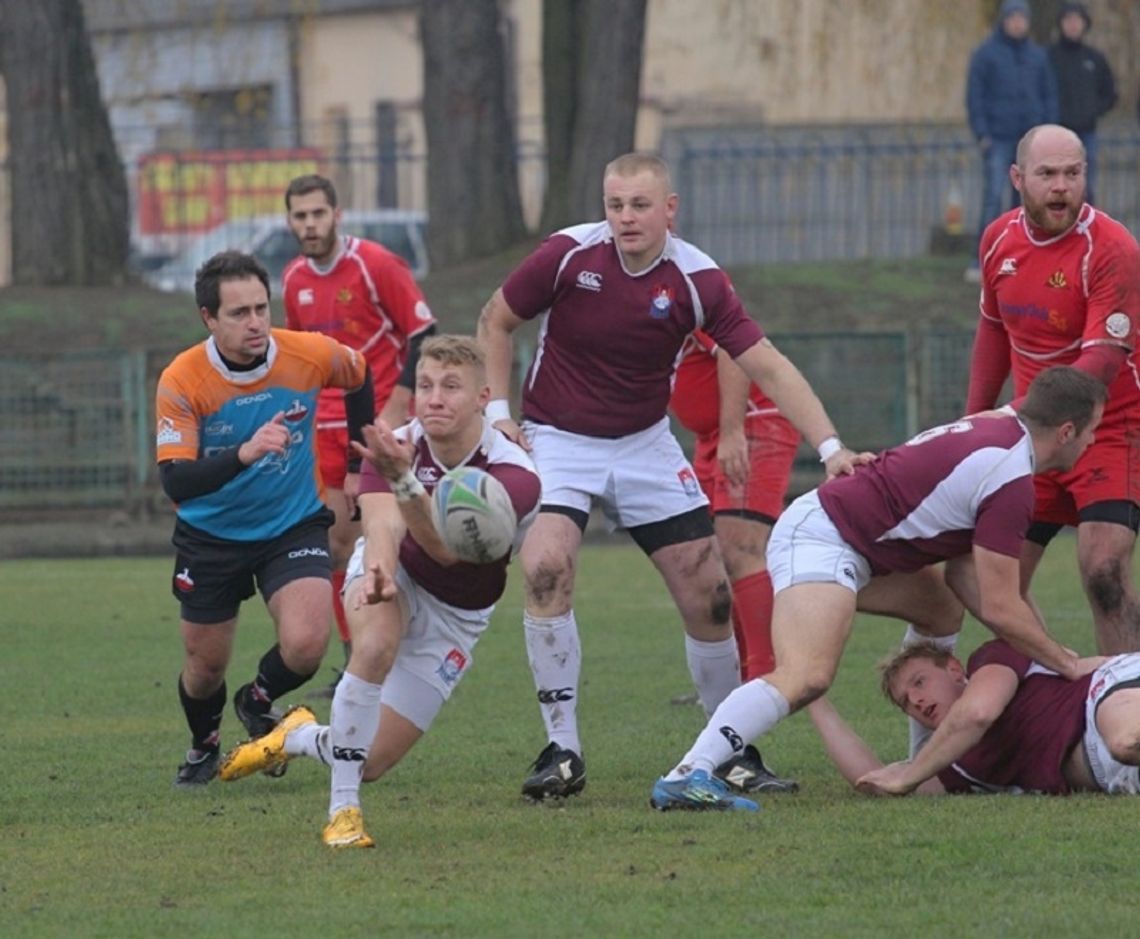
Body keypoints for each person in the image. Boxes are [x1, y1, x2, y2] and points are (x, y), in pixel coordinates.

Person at [478, 151, 863, 803]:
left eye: (639, 205)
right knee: (545, 565)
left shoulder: (697, 278)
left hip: (644, 445)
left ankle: (727, 752)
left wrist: (830, 446)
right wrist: (496, 413)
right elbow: (495, 319)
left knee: (710, 592)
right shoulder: (568, 255)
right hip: (558, 438)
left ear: (670, 209)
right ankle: (561, 748)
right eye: (614, 204)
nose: (624, 218)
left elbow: (766, 365)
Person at [650, 365, 1108, 812]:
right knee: (807, 675)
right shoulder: (1011, 478)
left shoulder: (1001, 428)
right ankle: (689, 772)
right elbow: (1003, 607)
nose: (1093, 442)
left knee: (941, 611)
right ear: (1066, 431)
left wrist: (1045, 653)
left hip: (850, 540)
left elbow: (965, 579)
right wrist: (1065, 663)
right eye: (1092, 431)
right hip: (822, 537)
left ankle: (924, 762)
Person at [218, 336, 541, 848]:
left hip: (458, 615)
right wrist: (381, 570)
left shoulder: (515, 474)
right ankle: (343, 815)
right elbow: (383, 526)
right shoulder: (391, 446)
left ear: (484, 397)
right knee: (372, 645)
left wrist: (407, 482)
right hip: (398, 576)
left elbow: (448, 552)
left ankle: (295, 736)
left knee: (369, 760)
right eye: (427, 385)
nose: (433, 398)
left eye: (451, 387)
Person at [156, 250, 372, 788]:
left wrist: (354, 464)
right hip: (210, 534)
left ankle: (256, 700)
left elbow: (359, 375)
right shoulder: (182, 380)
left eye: (261, 307)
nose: (256, 323)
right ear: (208, 317)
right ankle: (203, 744)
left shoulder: (306, 354)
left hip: (291, 524)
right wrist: (243, 456)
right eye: (239, 313)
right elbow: (176, 482)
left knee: (306, 645)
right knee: (204, 667)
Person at [966, 124, 1140, 656]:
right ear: (1018, 178)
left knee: (1102, 570)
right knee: (992, 584)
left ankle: (1125, 715)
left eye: (1072, 173)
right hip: (1034, 439)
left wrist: (1011, 413)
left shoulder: (1113, 248)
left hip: (1109, 428)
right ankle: (1062, 687)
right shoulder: (998, 238)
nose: (1061, 186)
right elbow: (993, 333)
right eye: (1047, 174)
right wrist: (973, 426)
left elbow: (1099, 364)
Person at [282, 173, 437, 696]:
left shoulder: (374, 265)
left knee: (390, 537)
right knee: (334, 543)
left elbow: (423, 334)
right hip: (322, 430)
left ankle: (389, 655)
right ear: (290, 222)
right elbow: (303, 355)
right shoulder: (292, 280)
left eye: (317, 213)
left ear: (336, 214)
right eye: (300, 216)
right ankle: (358, 662)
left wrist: (396, 402)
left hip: (377, 426)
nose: (309, 224)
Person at [668, 329, 801, 793]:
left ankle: (768, 673)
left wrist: (731, 432)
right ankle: (747, 682)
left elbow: (731, 346)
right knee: (714, 568)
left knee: (739, 549)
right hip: (712, 434)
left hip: (752, 422)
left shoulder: (682, 279)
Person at [810, 636, 1140, 797]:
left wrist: (908, 774)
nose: (916, 699)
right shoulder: (959, 766)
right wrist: (812, 696)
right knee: (1123, 751)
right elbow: (873, 781)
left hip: (1110, 691)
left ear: (954, 669)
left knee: (1125, 741)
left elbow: (979, 712)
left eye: (920, 682)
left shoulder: (991, 658)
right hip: (1115, 772)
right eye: (906, 702)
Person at [964, 0, 1058, 283]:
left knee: (1030, 203)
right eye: (1013, 18)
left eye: (1022, 18)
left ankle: (1027, 259)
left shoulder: (1038, 57)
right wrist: (983, 134)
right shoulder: (986, 54)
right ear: (1004, 20)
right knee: (993, 200)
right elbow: (975, 97)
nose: (1018, 23)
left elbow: (1049, 95)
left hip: (1030, 143)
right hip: (998, 139)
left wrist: (1047, 133)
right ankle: (982, 261)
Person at [1047, 2, 1117, 205]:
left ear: (1085, 24)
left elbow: (1110, 93)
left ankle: (1087, 232)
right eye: (1068, 20)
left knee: (1086, 187)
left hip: (1087, 134)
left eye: (1077, 20)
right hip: (1056, 133)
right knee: (1054, 187)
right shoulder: (1049, 57)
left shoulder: (1095, 58)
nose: (1073, 25)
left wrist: (1093, 111)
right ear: (1061, 24)